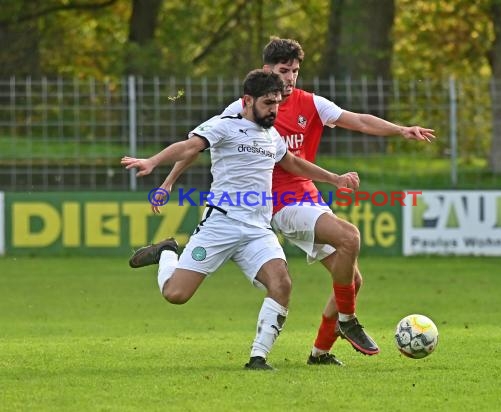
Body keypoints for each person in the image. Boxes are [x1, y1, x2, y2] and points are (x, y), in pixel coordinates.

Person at [158, 38, 436, 366]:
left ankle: (320, 352)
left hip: (309, 199)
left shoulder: (311, 103)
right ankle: (347, 322)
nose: (290, 77)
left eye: (295, 71)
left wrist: (401, 130)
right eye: (283, 70)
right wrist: (168, 181)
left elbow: (358, 121)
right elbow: (196, 145)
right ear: (267, 71)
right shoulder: (243, 110)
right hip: (279, 204)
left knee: (351, 279)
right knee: (349, 237)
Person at [121, 69, 361, 370]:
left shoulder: (271, 135)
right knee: (176, 294)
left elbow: (293, 162)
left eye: (276, 103)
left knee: (282, 283)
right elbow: (188, 147)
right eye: (267, 103)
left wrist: (334, 178)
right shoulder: (224, 125)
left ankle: (258, 358)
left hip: (257, 229)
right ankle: (168, 251)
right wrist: (153, 161)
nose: (274, 109)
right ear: (247, 101)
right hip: (220, 224)